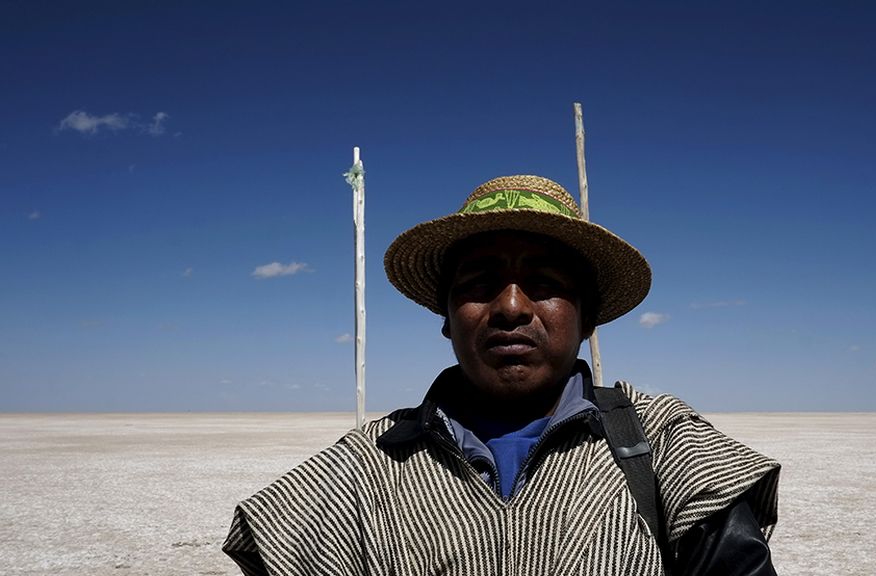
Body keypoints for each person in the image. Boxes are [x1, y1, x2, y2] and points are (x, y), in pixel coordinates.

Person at [223, 174, 781, 575]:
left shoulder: (661, 443)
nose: (511, 307)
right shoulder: (366, 466)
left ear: (586, 319)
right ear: (447, 319)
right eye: (479, 283)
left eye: (544, 283)